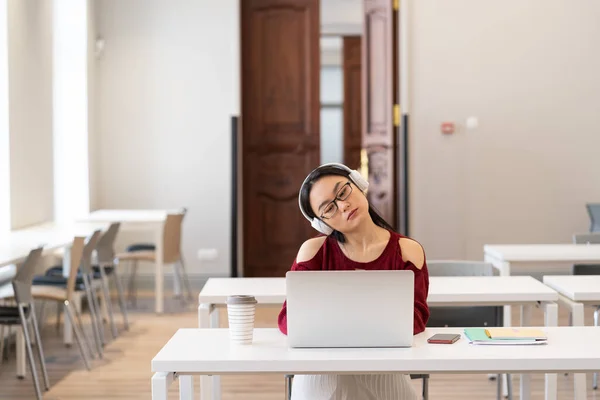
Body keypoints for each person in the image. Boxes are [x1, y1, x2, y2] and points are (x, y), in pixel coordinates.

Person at [278, 163, 430, 400]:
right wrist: (373, 323)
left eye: (343, 192)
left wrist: (338, 324)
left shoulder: (407, 251)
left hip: (385, 369)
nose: (343, 205)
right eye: (329, 208)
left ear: (359, 185)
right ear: (322, 223)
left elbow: (417, 318)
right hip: (322, 372)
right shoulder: (313, 252)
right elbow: (289, 320)